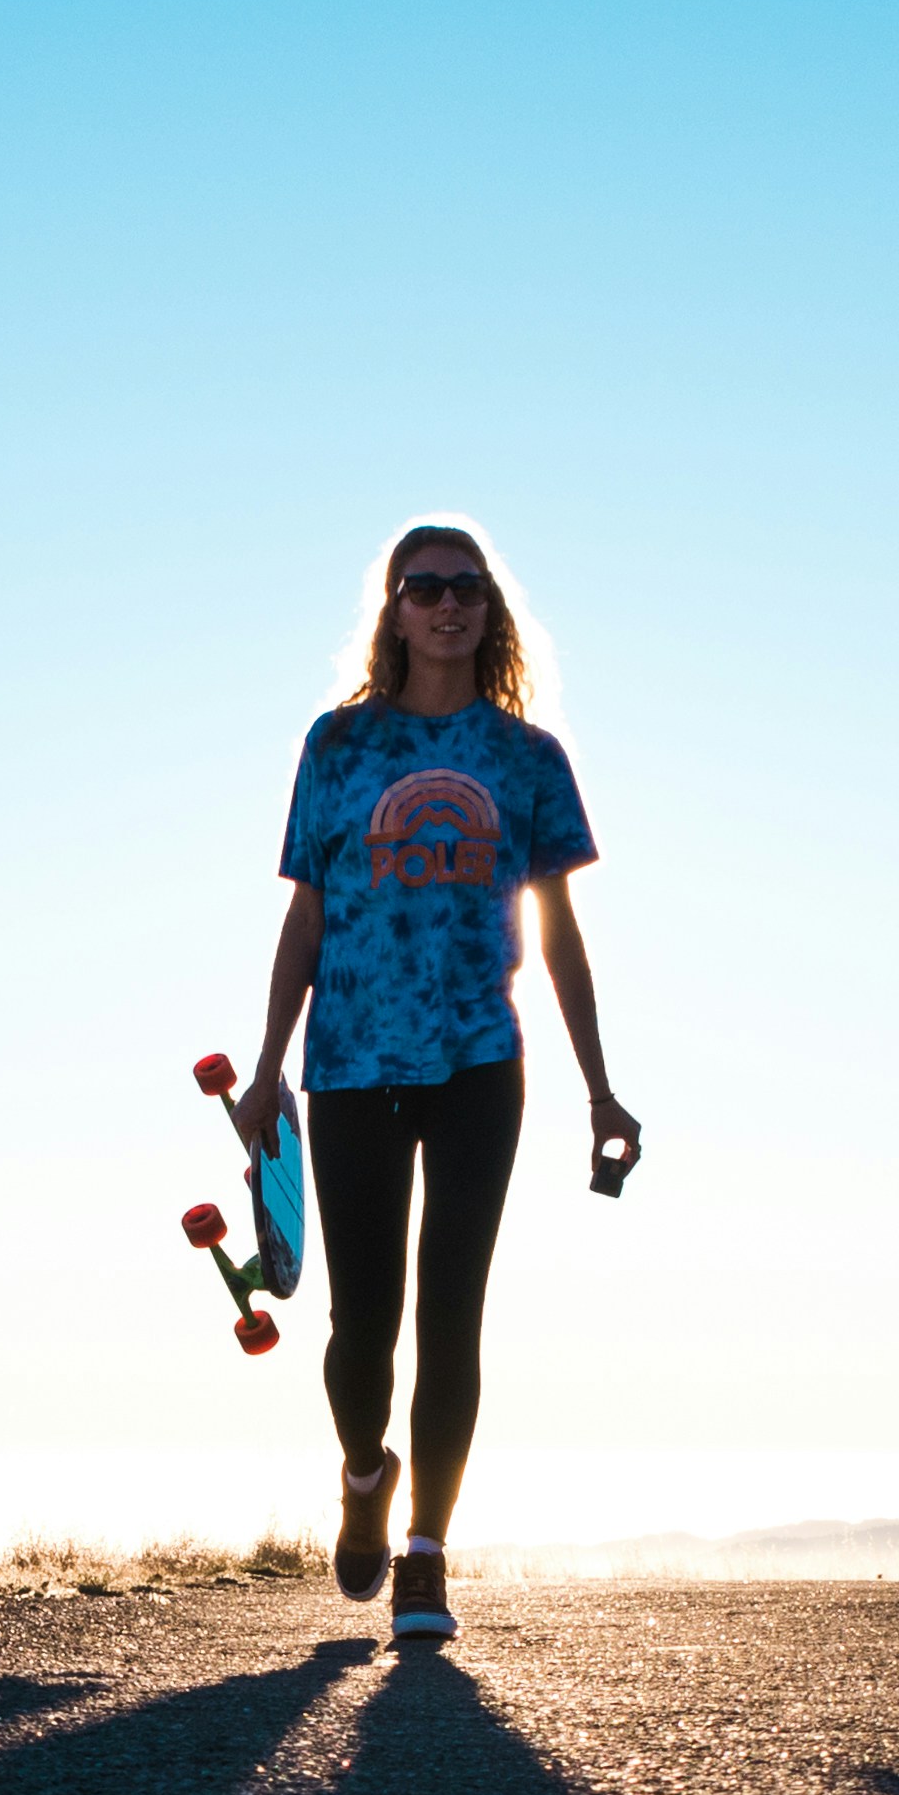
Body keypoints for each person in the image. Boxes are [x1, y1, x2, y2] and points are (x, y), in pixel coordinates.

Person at [239, 520, 639, 1640]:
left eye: (467, 587)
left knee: (451, 1314)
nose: (448, 603)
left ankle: (426, 1555)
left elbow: (561, 935)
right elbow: (307, 915)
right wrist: (267, 1068)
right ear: (395, 609)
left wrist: (602, 1090)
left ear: (490, 609)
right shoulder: (339, 748)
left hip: (480, 1063)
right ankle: (366, 1474)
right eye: (425, 587)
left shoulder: (526, 760)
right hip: (352, 1065)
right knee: (362, 1328)